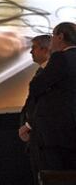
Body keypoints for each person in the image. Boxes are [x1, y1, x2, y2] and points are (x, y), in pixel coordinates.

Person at [28, 22, 76, 174]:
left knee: (58, 175)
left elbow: (37, 86)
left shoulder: (60, 58)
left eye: (53, 36)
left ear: (60, 37)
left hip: (60, 133)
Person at [18, 34, 51, 185]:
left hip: (47, 140)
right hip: (38, 139)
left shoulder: (51, 73)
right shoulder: (42, 72)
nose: (31, 52)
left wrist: (29, 125)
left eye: (34, 48)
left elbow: (45, 104)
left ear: (45, 50)